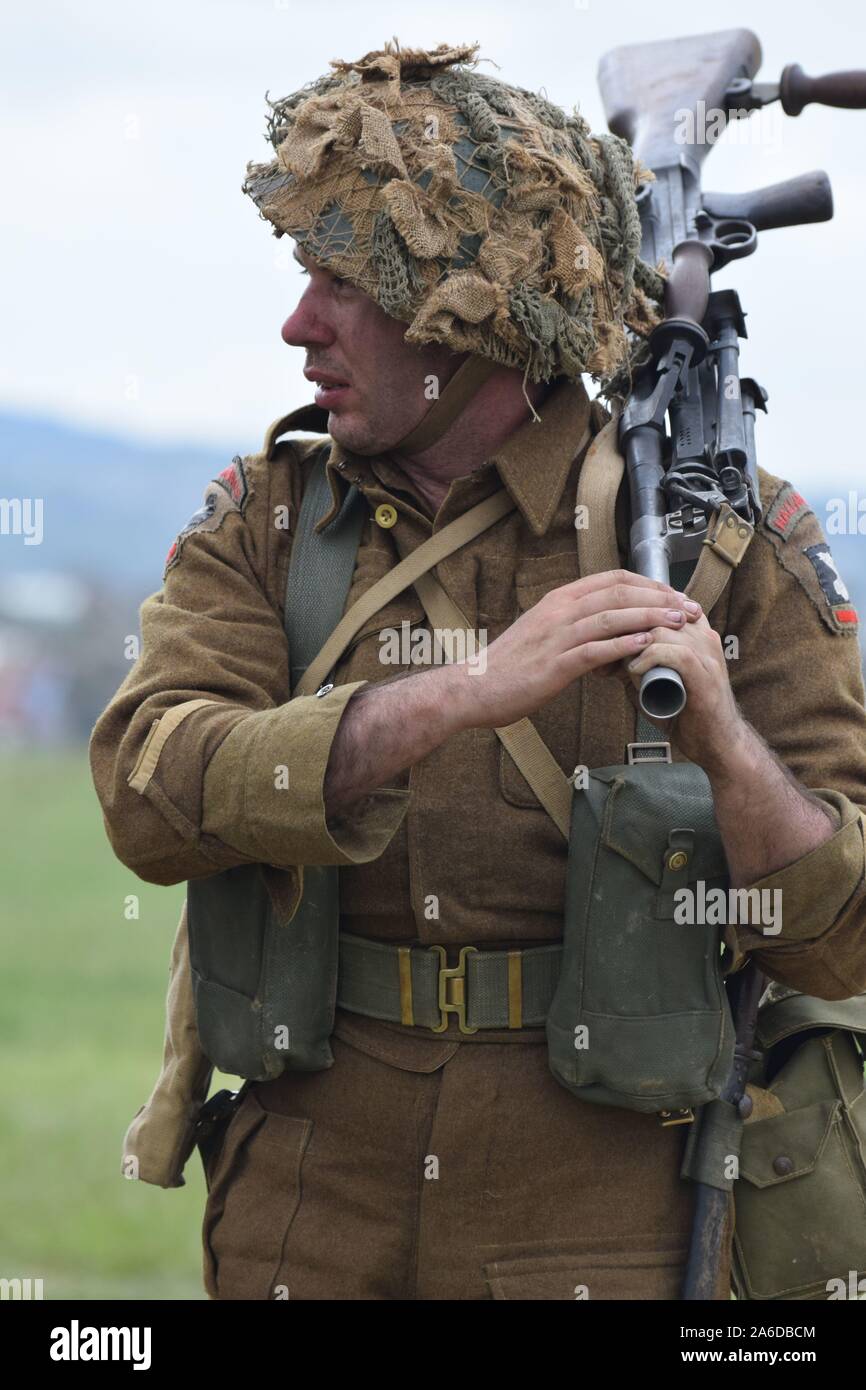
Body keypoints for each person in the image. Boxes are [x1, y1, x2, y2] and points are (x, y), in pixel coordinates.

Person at [90, 41, 866, 1301]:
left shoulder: (724, 534)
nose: (298, 325)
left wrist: (727, 743)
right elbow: (145, 788)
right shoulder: (268, 521)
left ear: (467, 312)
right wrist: (448, 698)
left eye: (343, 283)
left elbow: (840, 943)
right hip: (309, 1213)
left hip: (606, 1222)